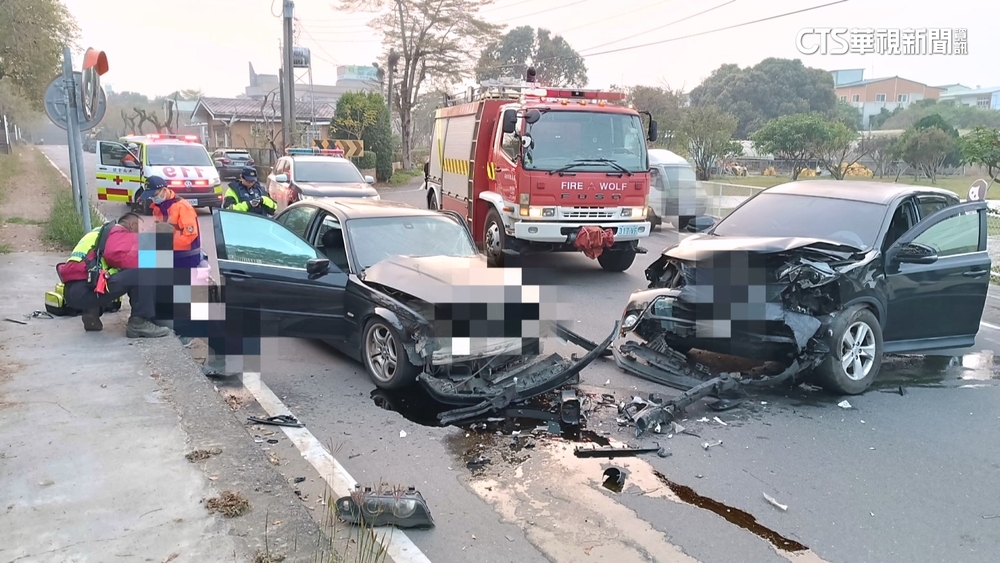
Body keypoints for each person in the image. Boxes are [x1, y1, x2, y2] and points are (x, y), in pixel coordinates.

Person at [56, 212, 170, 338]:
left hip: (75, 289)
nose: (140, 234)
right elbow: (115, 256)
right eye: (141, 229)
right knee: (144, 272)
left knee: (113, 276)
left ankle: (93, 310)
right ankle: (139, 322)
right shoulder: (120, 233)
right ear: (132, 225)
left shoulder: (100, 231)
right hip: (87, 289)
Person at [140, 175, 202, 268]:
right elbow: (157, 229)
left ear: (164, 190)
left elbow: (190, 237)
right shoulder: (157, 208)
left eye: (154, 195)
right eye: (150, 196)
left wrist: (165, 245)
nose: (152, 198)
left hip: (186, 256)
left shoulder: (183, 207)